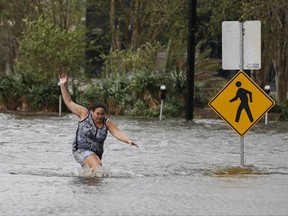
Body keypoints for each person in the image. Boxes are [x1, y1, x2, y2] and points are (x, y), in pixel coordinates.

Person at [58, 73, 139, 171]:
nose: (100, 116)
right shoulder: (84, 114)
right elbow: (69, 102)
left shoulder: (107, 123)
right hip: (80, 150)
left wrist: (128, 140)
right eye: (97, 114)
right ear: (92, 111)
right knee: (97, 166)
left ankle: (85, 184)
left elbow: (117, 133)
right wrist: (63, 85)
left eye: (102, 114)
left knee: (94, 174)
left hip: (96, 155)